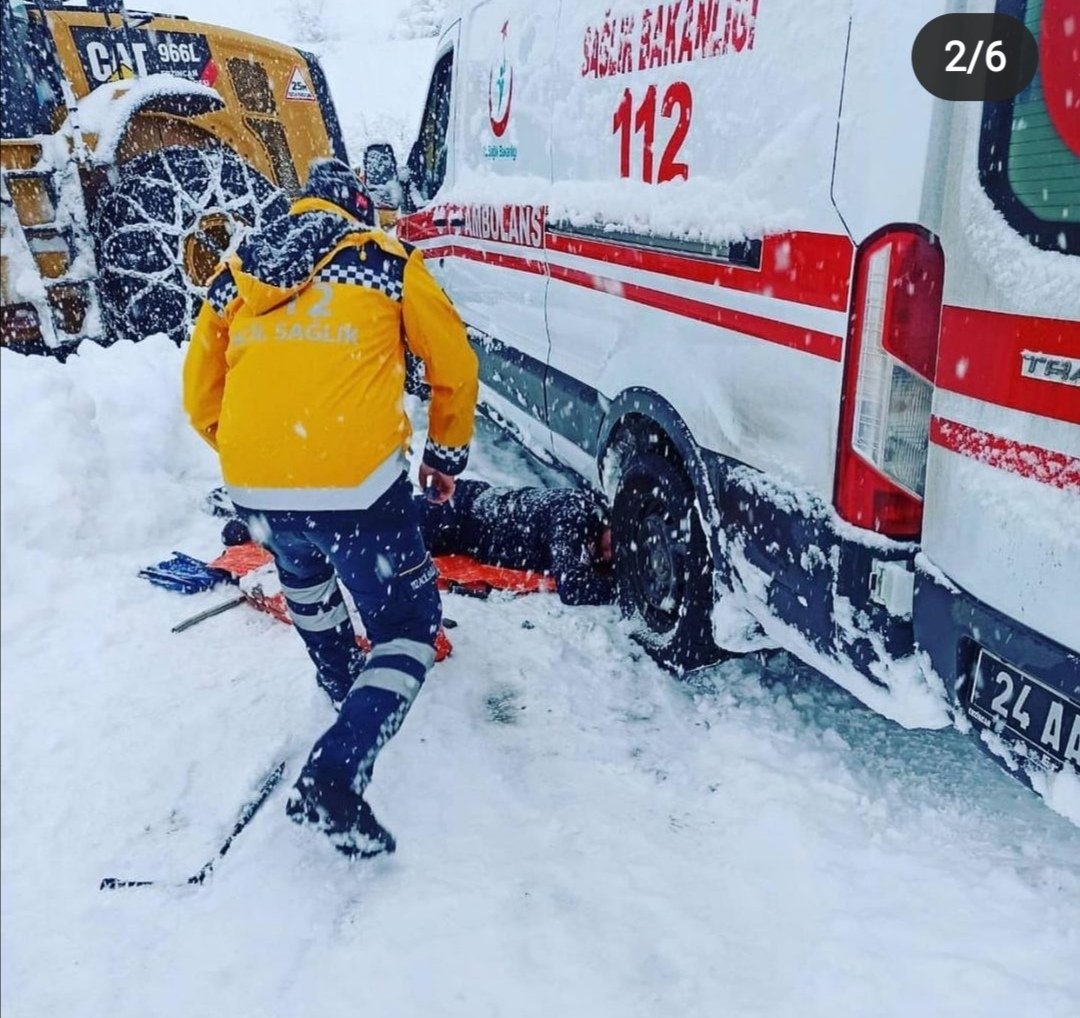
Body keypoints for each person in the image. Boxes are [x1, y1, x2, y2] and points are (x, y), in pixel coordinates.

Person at [183, 158, 479, 858]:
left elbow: (200, 395)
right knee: (407, 629)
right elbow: (455, 365)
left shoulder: (233, 277)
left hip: (256, 485)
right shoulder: (385, 261)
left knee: (305, 576)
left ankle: (339, 674)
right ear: (358, 208)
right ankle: (335, 775)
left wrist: (253, 458)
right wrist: (445, 457)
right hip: (359, 489)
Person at [419, 480, 616, 606]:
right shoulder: (575, 515)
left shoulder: (591, 525)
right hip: (460, 516)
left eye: (614, 558)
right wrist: (620, 588)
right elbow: (572, 588)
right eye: (614, 544)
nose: (609, 554)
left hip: (472, 516)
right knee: (393, 528)